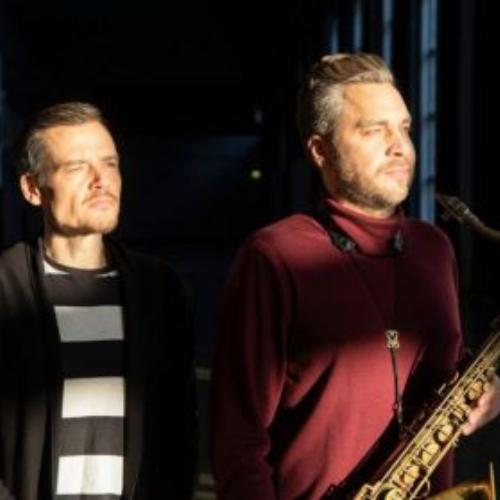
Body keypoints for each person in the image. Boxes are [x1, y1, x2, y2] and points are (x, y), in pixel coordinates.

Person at [211, 53, 500, 499]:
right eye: (373, 130)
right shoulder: (274, 256)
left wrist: (488, 392)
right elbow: (238, 443)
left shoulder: (435, 248)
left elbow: (447, 371)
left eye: (404, 128)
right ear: (320, 150)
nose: (401, 147)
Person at [0, 102, 196, 500]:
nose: (101, 180)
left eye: (110, 164)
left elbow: (179, 433)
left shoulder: (159, 290)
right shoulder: (5, 288)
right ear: (33, 188)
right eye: (77, 167)